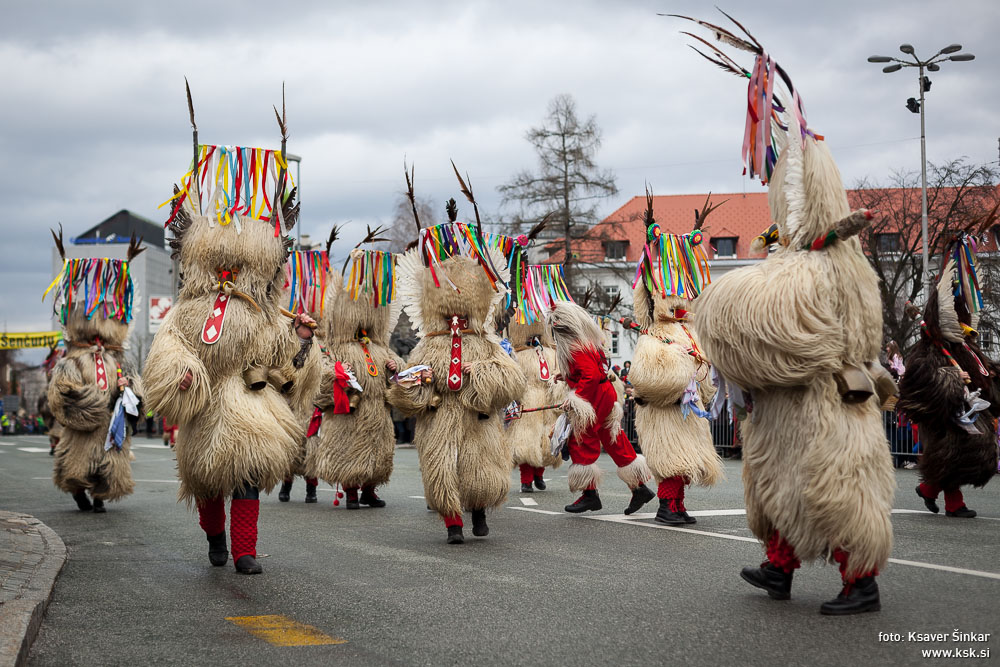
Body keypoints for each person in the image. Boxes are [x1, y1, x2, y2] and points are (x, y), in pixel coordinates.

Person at [687, 11, 894, 615]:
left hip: (827, 401)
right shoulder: (799, 259)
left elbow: (788, 320)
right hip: (786, 407)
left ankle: (862, 583)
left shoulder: (833, 264)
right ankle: (779, 568)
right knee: (777, 490)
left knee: (835, 490)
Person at [143, 101, 320, 575]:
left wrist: (301, 340)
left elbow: (289, 358)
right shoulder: (186, 310)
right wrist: (182, 374)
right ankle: (215, 538)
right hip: (204, 407)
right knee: (205, 485)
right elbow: (170, 347)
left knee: (246, 476)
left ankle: (243, 549)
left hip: (248, 406)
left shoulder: (265, 311)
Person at [389, 210, 526, 544]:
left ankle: (478, 512)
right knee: (441, 471)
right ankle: (452, 524)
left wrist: (479, 372)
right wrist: (410, 382)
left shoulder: (485, 342)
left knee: (477, 469)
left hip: (475, 417)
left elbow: (512, 380)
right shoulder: (427, 344)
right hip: (440, 419)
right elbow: (411, 389)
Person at [628, 193, 723, 526]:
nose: (680, 305)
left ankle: (677, 504)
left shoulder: (690, 331)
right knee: (671, 457)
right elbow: (646, 377)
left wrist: (703, 381)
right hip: (666, 411)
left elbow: (705, 372)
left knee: (687, 459)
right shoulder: (654, 335)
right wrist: (680, 373)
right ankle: (667, 505)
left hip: (688, 411)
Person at [898, 238, 999, 519]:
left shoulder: (963, 347)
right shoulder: (927, 350)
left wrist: (989, 374)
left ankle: (930, 490)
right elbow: (919, 379)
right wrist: (952, 377)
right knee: (951, 453)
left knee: (966, 454)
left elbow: (982, 367)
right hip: (943, 415)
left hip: (965, 412)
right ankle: (953, 503)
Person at [45, 230, 142, 513]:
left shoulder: (119, 358)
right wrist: (85, 402)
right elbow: (61, 391)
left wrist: (128, 390)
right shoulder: (72, 359)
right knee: (77, 462)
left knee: (109, 465)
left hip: (112, 424)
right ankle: (78, 492)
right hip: (85, 426)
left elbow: (136, 389)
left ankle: (100, 497)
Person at [307, 247, 403, 510]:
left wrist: (396, 366)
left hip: (377, 411)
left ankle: (369, 490)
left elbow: (400, 370)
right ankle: (350, 490)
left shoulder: (380, 347)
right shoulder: (335, 346)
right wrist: (337, 373)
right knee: (349, 447)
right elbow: (322, 372)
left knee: (379, 450)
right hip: (349, 412)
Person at [546, 301, 655, 515]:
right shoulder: (585, 343)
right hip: (604, 395)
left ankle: (589, 494)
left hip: (593, 397)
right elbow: (592, 370)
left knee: (580, 440)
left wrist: (576, 395)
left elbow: (591, 375)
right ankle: (639, 487)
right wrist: (567, 376)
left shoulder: (576, 348)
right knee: (613, 439)